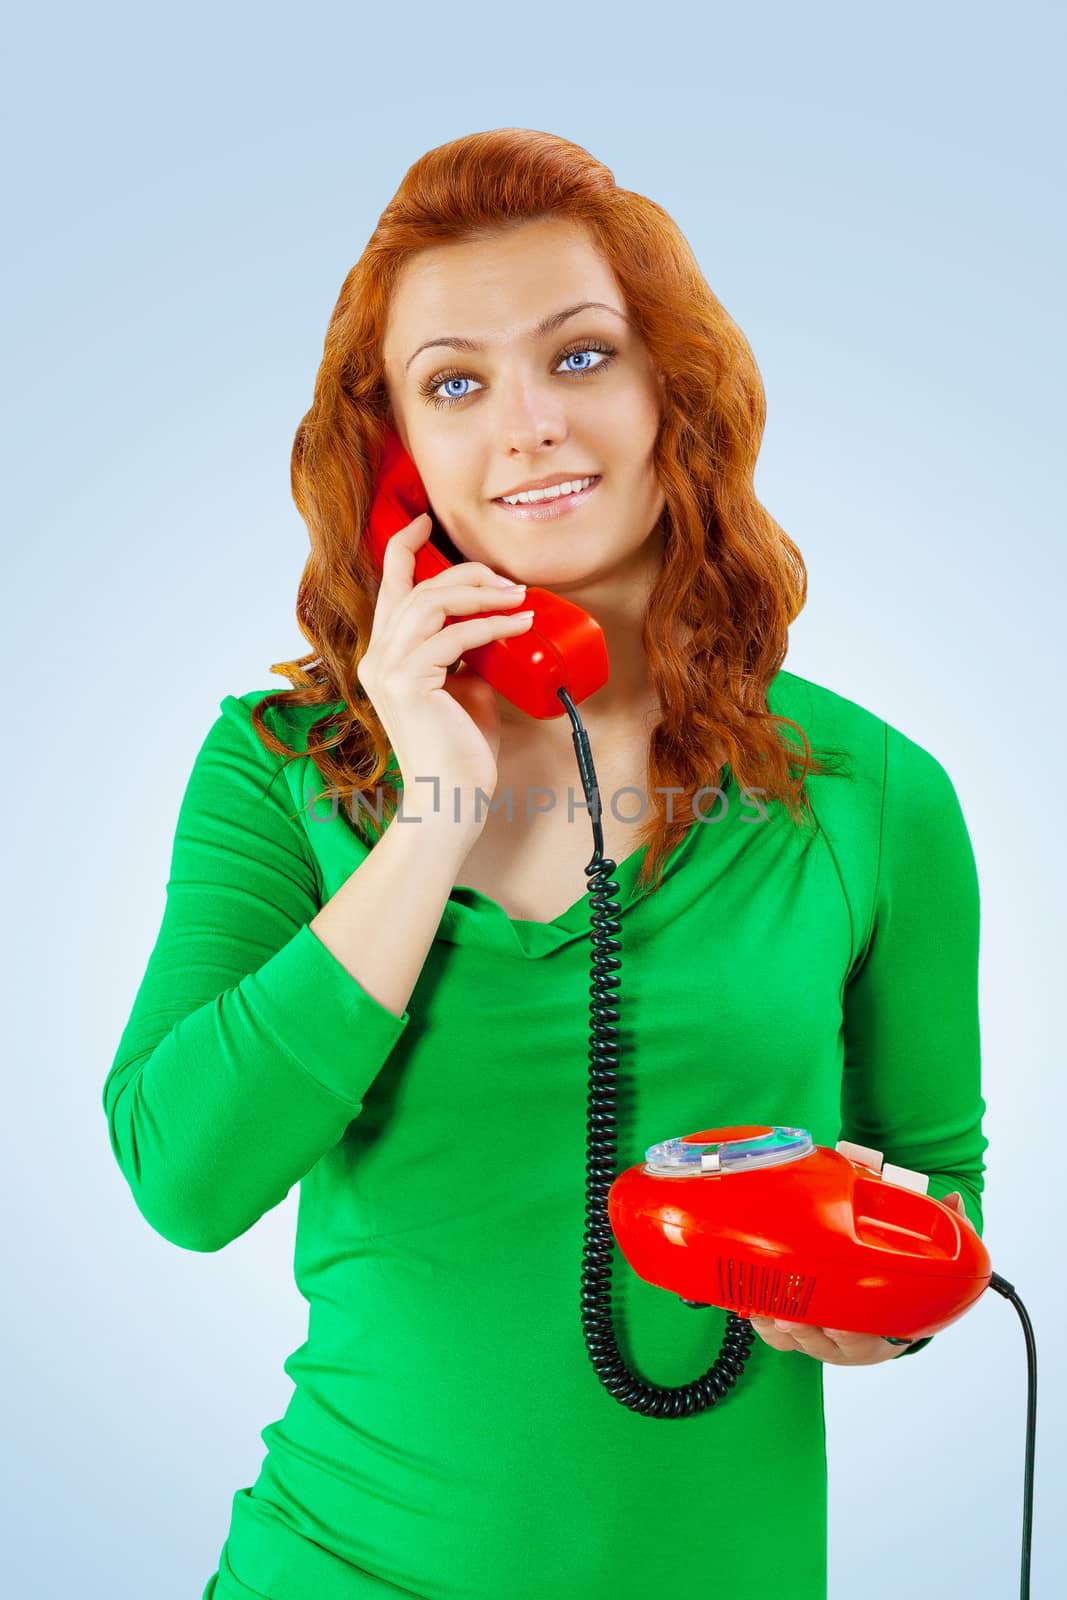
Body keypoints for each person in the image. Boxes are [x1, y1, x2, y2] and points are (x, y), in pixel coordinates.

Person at [101, 128, 989, 1600]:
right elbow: (182, 1178)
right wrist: (430, 810)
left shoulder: (876, 798)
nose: (526, 426)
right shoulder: (279, 769)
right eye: (455, 383)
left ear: (671, 396)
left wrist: (875, 1310)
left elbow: (940, 1209)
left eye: (580, 357)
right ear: (399, 458)